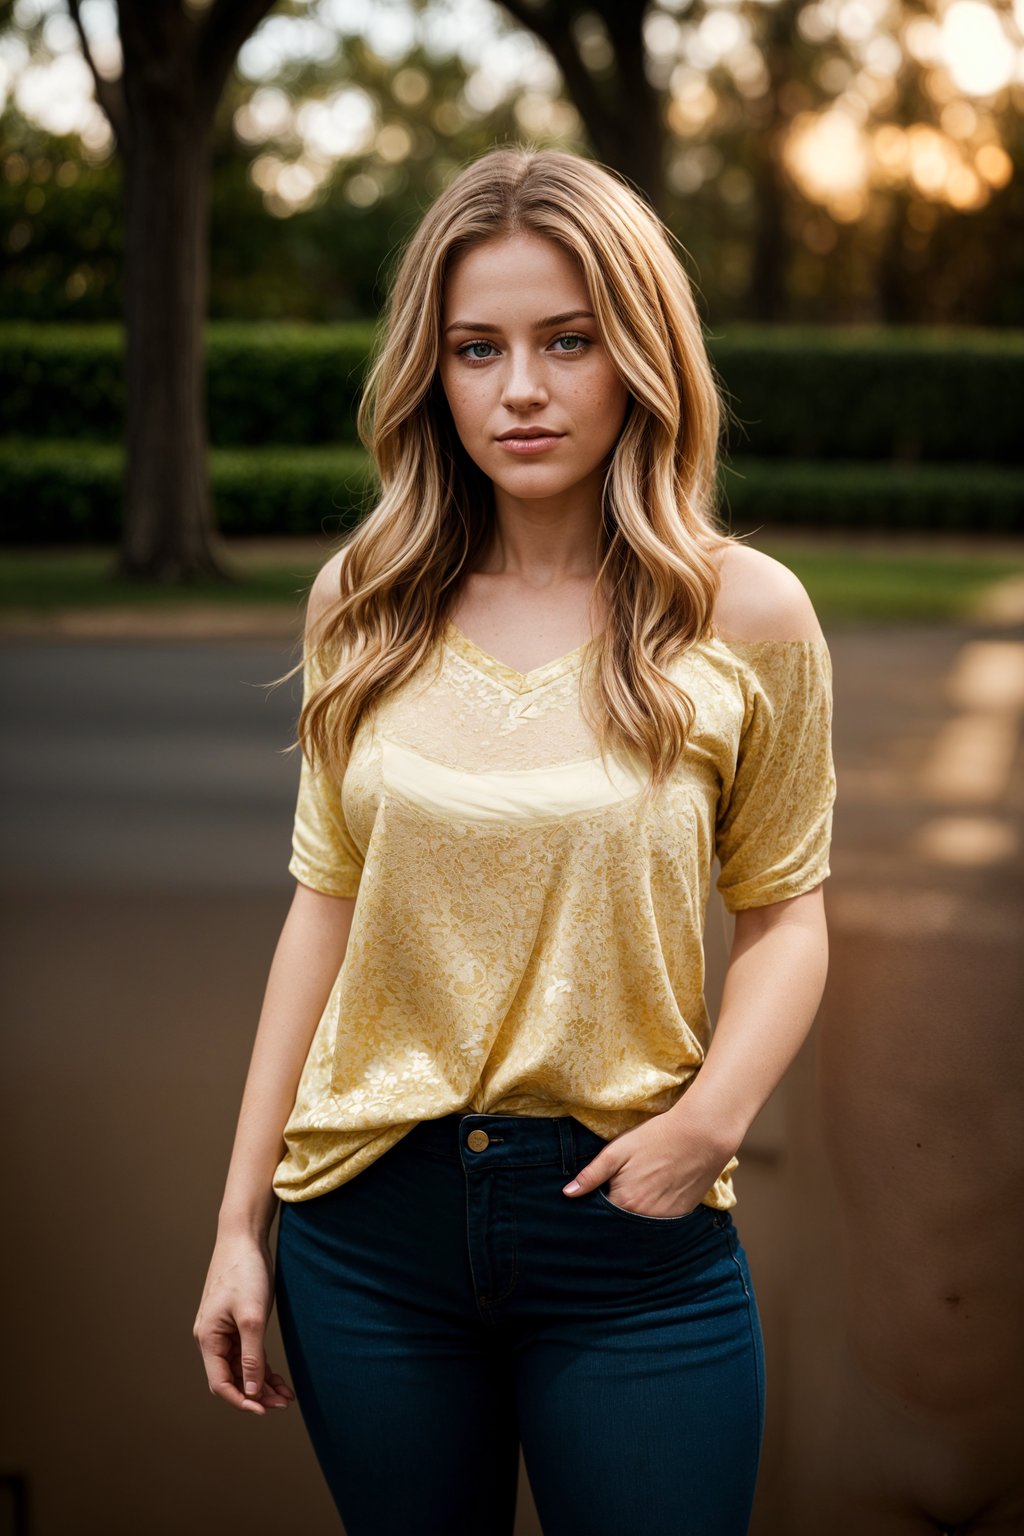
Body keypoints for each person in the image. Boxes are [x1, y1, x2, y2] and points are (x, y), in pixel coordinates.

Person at [193, 144, 836, 1536]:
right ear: (433, 370)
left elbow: (787, 913)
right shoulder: (362, 602)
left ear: (641, 356)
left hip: (628, 1232)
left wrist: (708, 1126)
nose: (522, 389)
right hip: (367, 1235)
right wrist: (241, 1228)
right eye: (478, 348)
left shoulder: (747, 614)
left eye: (569, 341)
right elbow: (324, 911)